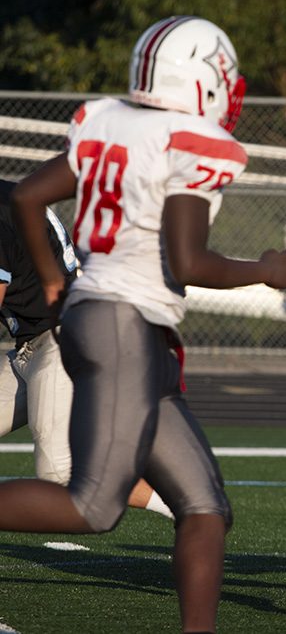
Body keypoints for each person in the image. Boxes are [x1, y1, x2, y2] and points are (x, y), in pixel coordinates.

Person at [6, 16, 286, 633]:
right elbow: (188, 262)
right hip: (124, 324)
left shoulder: (106, 120)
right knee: (92, 506)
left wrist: (56, 283)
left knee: (205, 506)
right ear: (205, 81)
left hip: (114, 320)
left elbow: (28, 196)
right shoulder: (191, 141)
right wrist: (264, 269)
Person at [0, 179, 173, 519]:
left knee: (60, 475)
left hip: (61, 342)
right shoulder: (13, 197)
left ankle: (184, 506)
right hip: (32, 347)